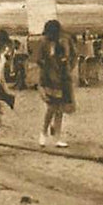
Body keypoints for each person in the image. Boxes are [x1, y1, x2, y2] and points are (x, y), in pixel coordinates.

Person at [37, 19, 75, 148]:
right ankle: (43, 132)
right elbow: (39, 60)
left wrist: (69, 68)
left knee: (60, 109)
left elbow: (73, 55)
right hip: (48, 79)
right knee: (51, 108)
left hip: (63, 79)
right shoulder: (44, 42)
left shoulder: (65, 40)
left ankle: (56, 137)